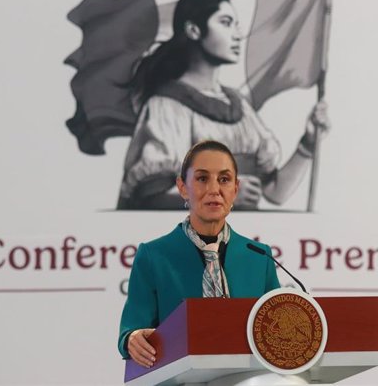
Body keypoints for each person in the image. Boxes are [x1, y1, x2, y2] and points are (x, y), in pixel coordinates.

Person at [117, 0, 329, 210]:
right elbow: (151, 199)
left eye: (236, 25)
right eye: (226, 23)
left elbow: (275, 193)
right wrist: (219, 196)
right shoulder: (165, 106)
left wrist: (308, 143)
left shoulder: (240, 107)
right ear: (193, 30)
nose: (237, 35)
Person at [118, 140, 281, 367]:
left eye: (224, 180)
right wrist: (132, 339)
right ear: (183, 187)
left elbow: (280, 327)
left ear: (235, 189)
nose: (214, 189)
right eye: (202, 178)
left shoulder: (259, 257)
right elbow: (131, 329)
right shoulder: (153, 255)